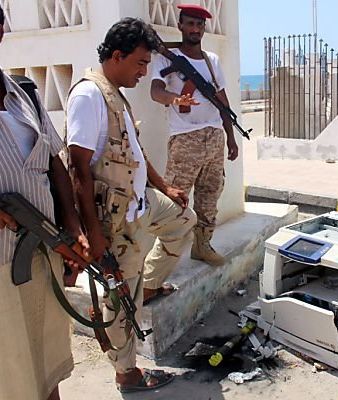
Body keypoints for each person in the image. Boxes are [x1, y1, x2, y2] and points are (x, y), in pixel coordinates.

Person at [66, 18, 196, 392]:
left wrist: (164, 186)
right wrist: (92, 233)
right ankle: (127, 374)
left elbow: (133, 152)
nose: (144, 72)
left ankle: (151, 284)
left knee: (184, 219)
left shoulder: (114, 91)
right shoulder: (89, 95)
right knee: (124, 299)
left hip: (142, 203)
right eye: (140, 63)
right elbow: (78, 168)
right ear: (118, 56)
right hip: (116, 219)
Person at [0, 5, 88, 399]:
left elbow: (54, 161)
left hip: (41, 252)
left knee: (47, 359)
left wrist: (72, 229)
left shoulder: (25, 94)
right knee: (13, 371)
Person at [150, 4, 239, 267]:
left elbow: (223, 101)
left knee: (210, 195)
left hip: (214, 139)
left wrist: (231, 136)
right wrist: (175, 98)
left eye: (199, 25)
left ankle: (202, 245)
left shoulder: (211, 61)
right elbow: (155, 92)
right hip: (185, 138)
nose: (195, 29)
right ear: (180, 25)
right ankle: (162, 260)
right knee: (175, 199)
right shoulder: (167, 57)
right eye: (190, 24)